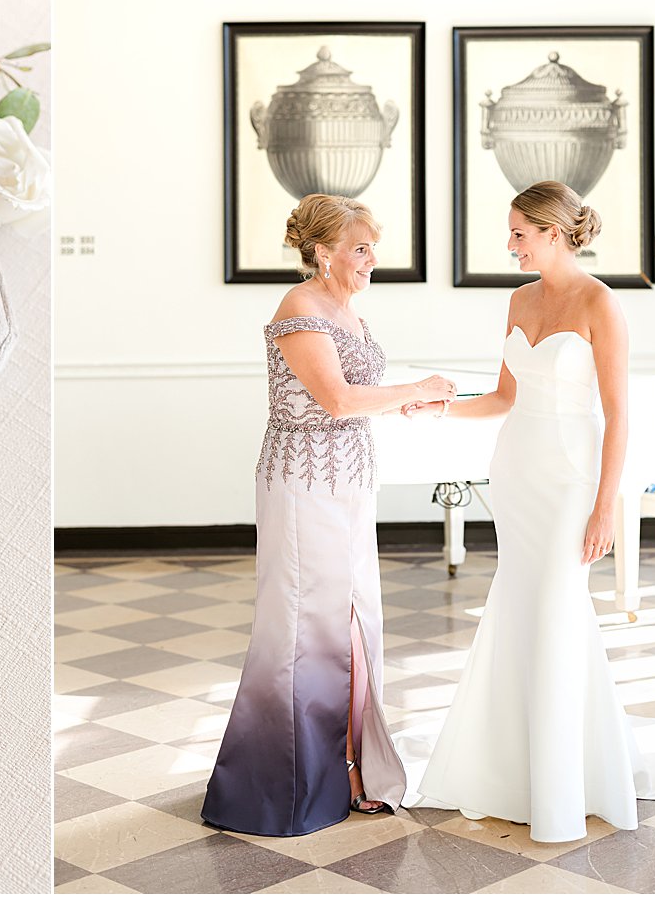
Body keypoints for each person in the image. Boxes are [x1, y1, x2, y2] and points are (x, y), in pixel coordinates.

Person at [399, 181, 655, 842]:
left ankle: (565, 780)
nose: (510, 246)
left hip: (569, 480)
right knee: (520, 606)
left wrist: (603, 507)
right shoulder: (518, 299)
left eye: (518, 234)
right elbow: (504, 394)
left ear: (553, 232)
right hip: (515, 470)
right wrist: (439, 407)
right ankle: (514, 771)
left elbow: (619, 417)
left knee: (559, 607)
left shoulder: (601, 304)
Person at [200, 194, 458, 837]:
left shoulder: (347, 311)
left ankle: (350, 767)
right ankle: (283, 786)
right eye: (360, 248)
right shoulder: (299, 307)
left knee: (351, 621)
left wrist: (410, 405)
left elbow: (359, 402)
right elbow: (338, 399)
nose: (373, 259)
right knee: (299, 627)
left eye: (373, 246)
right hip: (302, 484)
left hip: (349, 483)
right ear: (322, 251)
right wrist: (416, 390)